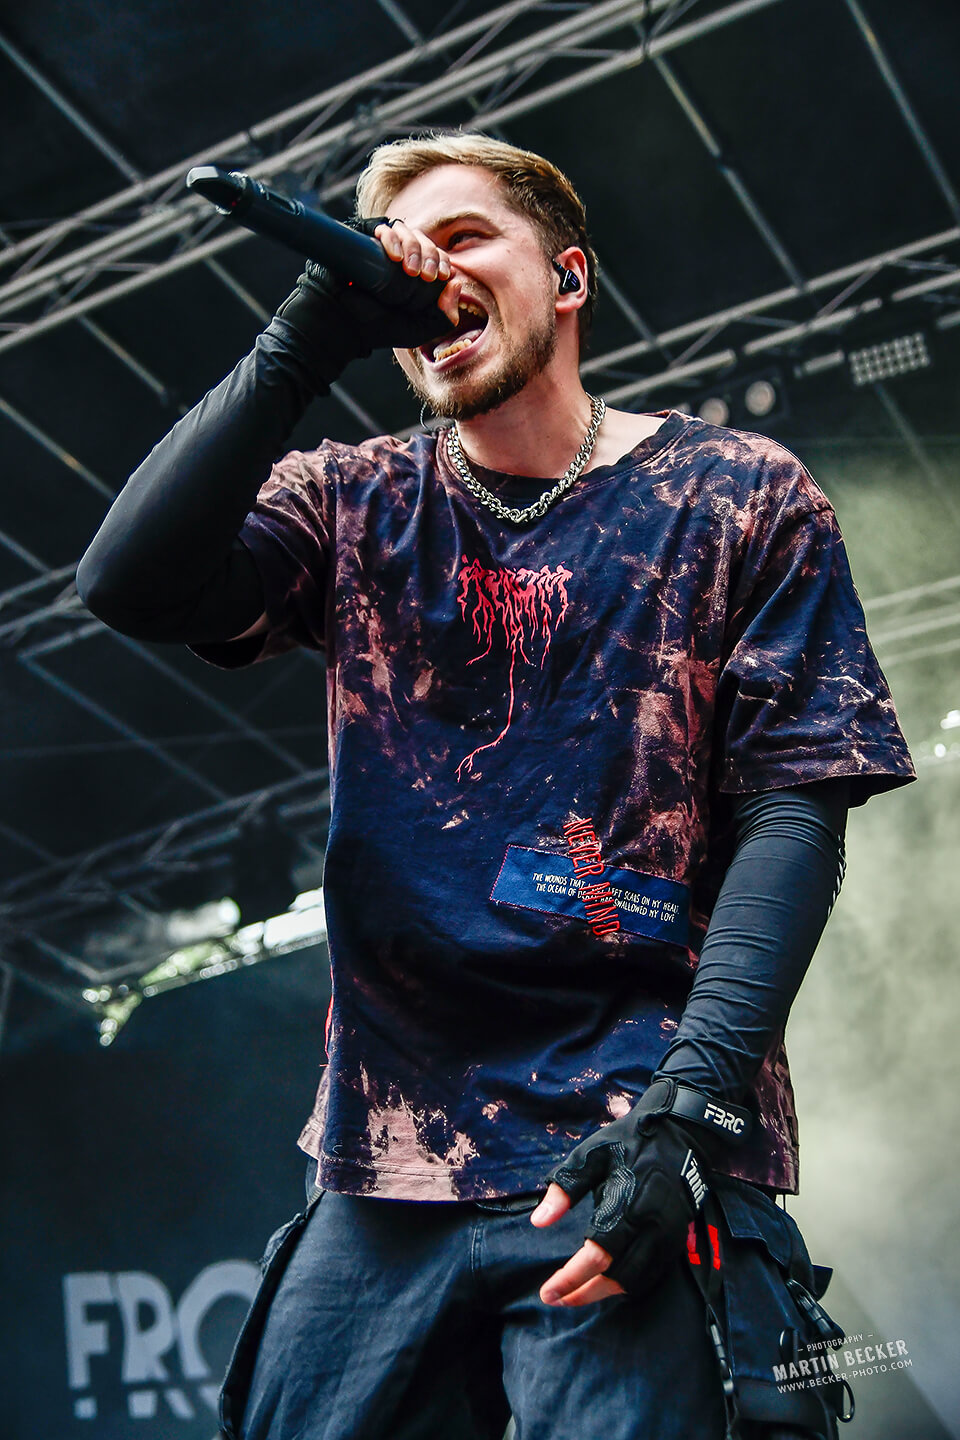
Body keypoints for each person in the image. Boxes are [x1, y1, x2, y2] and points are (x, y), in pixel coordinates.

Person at [77, 133, 915, 1440]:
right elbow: (127, 583)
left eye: (466, 239)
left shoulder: (740, 495)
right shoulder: (353, 501)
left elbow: (793, 816)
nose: (429, 270)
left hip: (626, 1130)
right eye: (404, 253)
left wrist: (690, 1116)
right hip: (384, 1172)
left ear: (567, 277)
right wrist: (304, 337)